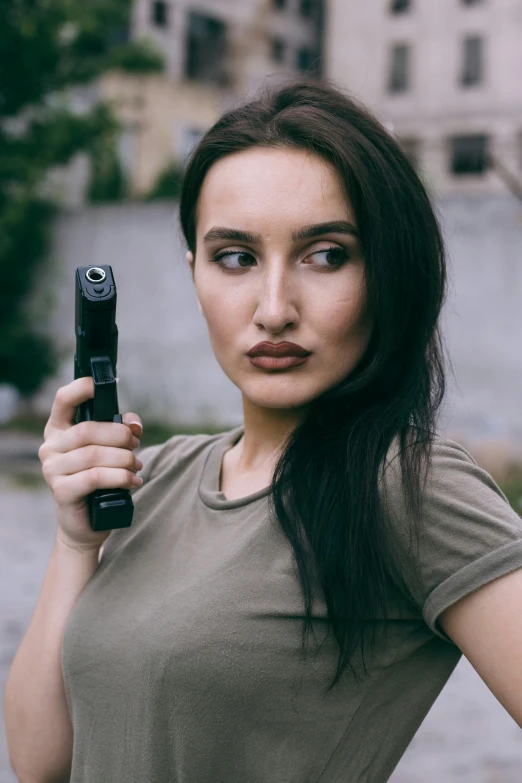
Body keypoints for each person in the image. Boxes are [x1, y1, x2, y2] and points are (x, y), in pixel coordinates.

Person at [5, 78, 522, 783]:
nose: (274, 308)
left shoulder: (409, 486)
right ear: (196, 274)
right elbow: (40, 764)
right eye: (237, 258)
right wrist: (74, 541)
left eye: (326, 254)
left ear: (386, 273)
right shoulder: (153, 476)